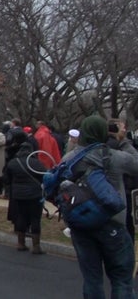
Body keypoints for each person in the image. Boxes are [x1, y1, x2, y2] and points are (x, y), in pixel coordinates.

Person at [68, 115, 138, 298]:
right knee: (122, 278)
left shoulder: (71, 157)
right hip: (113, 222)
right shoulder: (114, 157)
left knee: (92, 279)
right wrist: (122, 141)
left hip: (81, 223)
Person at [3, 132, 46, 253]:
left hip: (18, 194)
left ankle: (20, 243)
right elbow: (45, 177)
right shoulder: (37, 163)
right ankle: (36, 246)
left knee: (21, 217)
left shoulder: (13, 163)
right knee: (35, 219)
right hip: (35, 194)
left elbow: (6, 179)